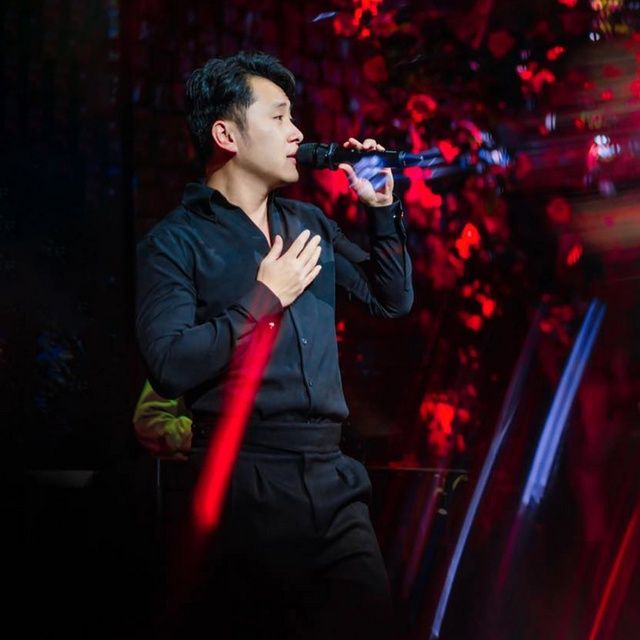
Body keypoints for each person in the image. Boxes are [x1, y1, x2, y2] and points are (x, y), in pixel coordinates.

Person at [136, 51, 413, 639]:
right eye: (280, 117)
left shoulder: (309, 224)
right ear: (227, 135)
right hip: (241, 483)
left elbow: (391, 301)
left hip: (333, 478)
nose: (298, 133)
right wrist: (264, 299)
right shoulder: (175, 243)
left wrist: (383, 211)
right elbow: (169, 363)